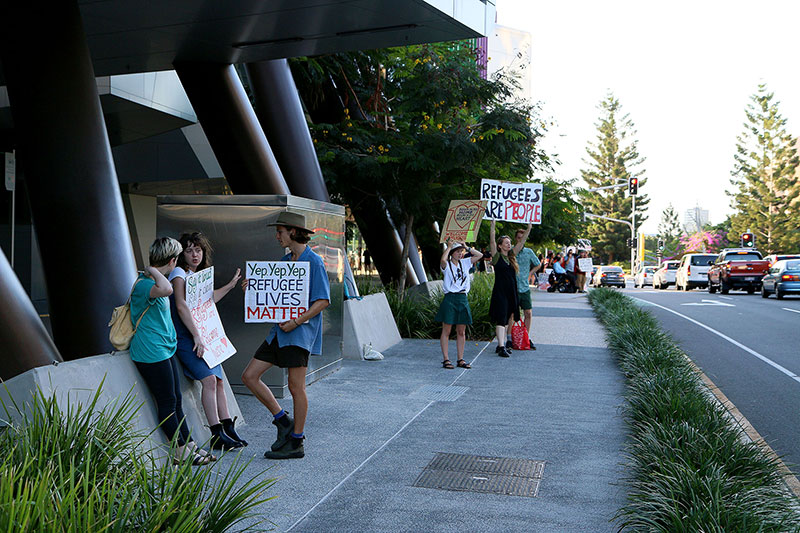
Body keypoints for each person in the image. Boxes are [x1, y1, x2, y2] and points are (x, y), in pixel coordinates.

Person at [241, 212, 330, 460]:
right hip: (278, 333)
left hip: (299, 334)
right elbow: (275, 292)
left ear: (292, 231)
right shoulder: (285, 261)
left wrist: (296, 322)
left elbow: (322, 300)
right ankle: (283, 421)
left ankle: (297, 441)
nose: (276, 236)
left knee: (295, 387)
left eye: (279, 231)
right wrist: (255, 286)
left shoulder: (314, 262)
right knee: (249, 376)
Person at [130, 237, 214, 465]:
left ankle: (190, 445)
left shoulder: (153, 282)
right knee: (167, 401)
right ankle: (180, 453)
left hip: (163, 349)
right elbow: (166, 289)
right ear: (173, 260)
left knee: (175, 399)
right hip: (150, 352)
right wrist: (152, 270)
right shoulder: (146, 284)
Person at [169, 232, 245, 450]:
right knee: (210, 381)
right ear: (181, 253)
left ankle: (227, 427)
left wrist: (230, 286)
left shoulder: (197, 275)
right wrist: (196, 336)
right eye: (190, 250)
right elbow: (181, 305)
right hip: (187, 337)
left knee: (219, 381)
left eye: (198, 250)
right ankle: (216, 433)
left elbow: (207, 301)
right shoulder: (179, 273)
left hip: (201, 335)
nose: (195, 254)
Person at [435, 240, 483, 369]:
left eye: (461, 252)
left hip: (462, 297)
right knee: (447, 330)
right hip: (450, 297)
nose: (460, 254)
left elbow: (479, 256)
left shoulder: (465, 263)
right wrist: (449, 246)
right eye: (457, 251)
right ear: (451, 253)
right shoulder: (447, 265)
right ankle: (446, 359)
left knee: (461, 331)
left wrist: (467, 247)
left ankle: (460, 359)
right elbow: (443, 260)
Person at [488, 220, 531, 357]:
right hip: (500, 292)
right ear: (500, 246)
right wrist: (493, 225)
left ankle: (503, 343)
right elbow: (492, 241)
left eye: (509, 242)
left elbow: (521, 242)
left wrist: (529, 228)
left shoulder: (512, 256)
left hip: (511, 292)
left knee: (507, 318)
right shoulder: (496, 257)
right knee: (501, 318)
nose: (509, 244)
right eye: (506, 242)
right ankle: (501, 346)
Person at [510, 228, 540, 350]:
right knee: (512, 314)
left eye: (523, 238)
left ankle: (525, 337)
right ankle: (511, 338)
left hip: (525, 287)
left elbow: (538, 264)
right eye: (518, 237)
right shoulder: (511, 251)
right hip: (513, 287)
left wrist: (530, 274)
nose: (521, 240)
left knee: (528, 313)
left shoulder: (529, 252)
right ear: (515, 238)